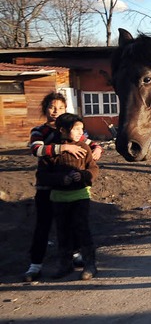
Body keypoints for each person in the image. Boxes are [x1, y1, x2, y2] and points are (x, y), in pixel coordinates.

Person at [23, 92, 103, 282]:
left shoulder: (74, 131)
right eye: (52, 107)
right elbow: (36, 150)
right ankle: (35, 265)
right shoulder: (40, 131)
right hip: (48, 188)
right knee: (45, 226)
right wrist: (63, 148)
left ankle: (76, 259)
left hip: (74, 190)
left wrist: (98, 148)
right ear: (45, 109)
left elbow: (89, 146)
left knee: (75, 226)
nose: (55, 111)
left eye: (60, 107)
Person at [36, 113, 100, 280]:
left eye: (82, 129)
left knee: (82, 230)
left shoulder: (84, 148)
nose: (81, 132)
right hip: (59, 198)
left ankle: (90, 265)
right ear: (63, 130)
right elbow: (42, 175)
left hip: (80, 196)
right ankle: (65, 265)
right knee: (62, 232)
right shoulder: (52, 150)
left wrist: (85, 175)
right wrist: (60, 179)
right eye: (76, 129)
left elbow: (94, 168)